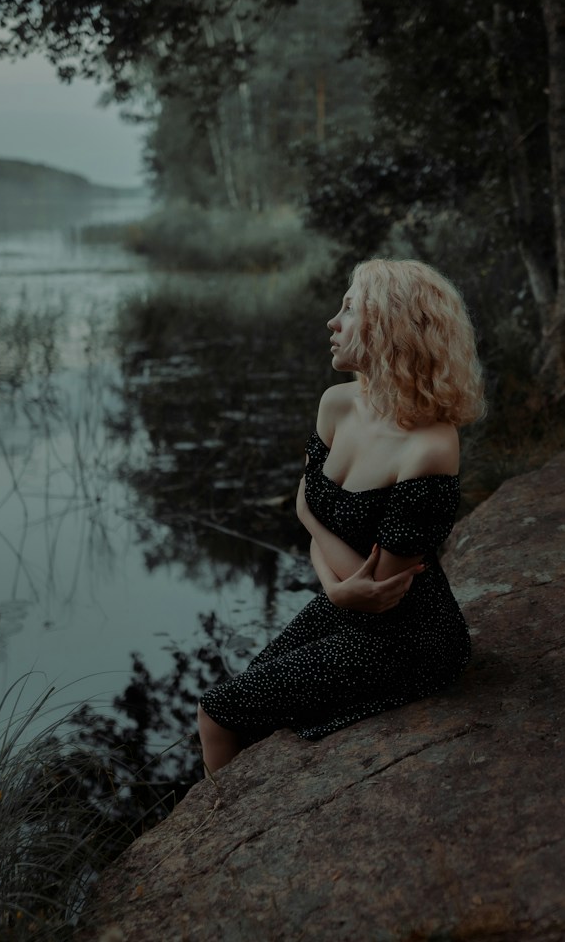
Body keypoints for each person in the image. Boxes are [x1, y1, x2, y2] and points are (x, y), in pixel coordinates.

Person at [196, 259, 486, 774]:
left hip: (408, 637)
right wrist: (334, 586)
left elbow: (380, 589)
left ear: (390, 327)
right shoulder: (336, 405)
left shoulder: (430, 448)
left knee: (217, 713)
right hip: (348, 605)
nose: (332, 322)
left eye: (349, 309)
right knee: (246, 708)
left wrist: (310, 520)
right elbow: (337, 554)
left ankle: (212, 839)